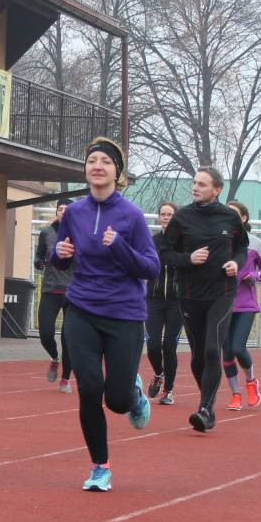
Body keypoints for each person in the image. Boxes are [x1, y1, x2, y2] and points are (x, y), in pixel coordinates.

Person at [51, 137, 159, 492]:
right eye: (92, 160)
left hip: (124, 313)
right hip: (82, 307)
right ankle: (100, 466)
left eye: (106, 161)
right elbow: (61, 257)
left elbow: (151, 268)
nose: (98, 166)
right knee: (89, 389)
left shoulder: (131, 217)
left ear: (117, 172)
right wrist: (60, 252)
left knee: (115, 400)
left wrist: (121, 247)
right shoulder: (74, 214)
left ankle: (133, 392)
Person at [160, 167, 247, 434]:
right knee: (198, 357)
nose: (195, 187)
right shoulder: (182, 217)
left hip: (221, 292)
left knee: (212, 349)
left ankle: (206, 409)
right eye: (194, 183)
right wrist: (188, 259)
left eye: (202, 184)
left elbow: (242, 248)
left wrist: (235, 263)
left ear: (217, 189)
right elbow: (164, 253)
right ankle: (206, 403)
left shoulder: (230, 218)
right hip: (189, 295)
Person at [222, 201, 261, 409]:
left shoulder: (255, 243)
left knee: (237, 347)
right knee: (226, 353)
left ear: (243, 218)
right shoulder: (218, 241)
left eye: (234, 214)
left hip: (245, 304)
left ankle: (251, 382)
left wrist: (254, 275)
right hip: (222, 303)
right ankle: (235, 394)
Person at [34, 198, 74, 393]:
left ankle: (66, 378)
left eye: (67, 209)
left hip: (73, 292)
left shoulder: (80, 234)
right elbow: (38, 257)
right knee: (46, 333)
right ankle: (54, 357)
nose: (63, 212)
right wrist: (39, 263)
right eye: (60, 209)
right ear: (56, 212)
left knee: (69, 338)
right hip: (50, 289)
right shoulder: (46, 233)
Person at [145, 201, 183, 405]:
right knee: (152, 345)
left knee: (169, 345)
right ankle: (159, 373)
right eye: (163, 214)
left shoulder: (184, 242)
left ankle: (168, 390)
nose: (166, 217)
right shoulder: (152, 241)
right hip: (153, 299)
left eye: (170, 214)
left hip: (177, 302)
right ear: (159, 217)